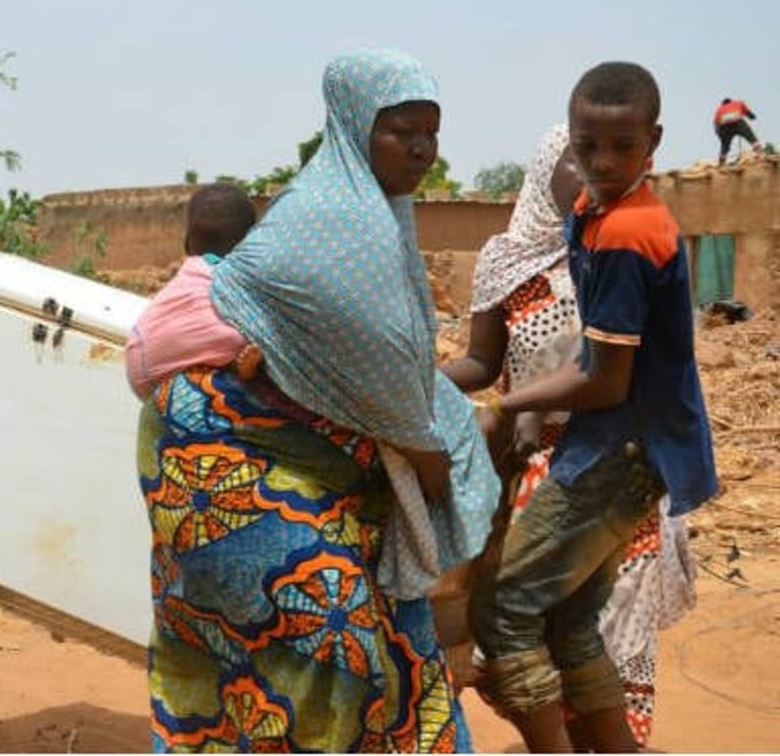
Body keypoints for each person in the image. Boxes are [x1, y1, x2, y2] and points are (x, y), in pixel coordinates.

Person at [137, 49, 499, 752]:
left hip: (316, 466)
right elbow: (384, 385)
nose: (422, 149)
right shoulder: (339, 222)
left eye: (431, 131)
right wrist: (430, 462)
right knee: (326, 640)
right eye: (402, 131)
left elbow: (392, 373)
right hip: (226, 460)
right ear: (355, 125)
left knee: (391, 647)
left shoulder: (377, 212)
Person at [469, 62, 717, 753]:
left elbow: (603, 381)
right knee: (574, 622)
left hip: (614, 449)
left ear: (653, 142)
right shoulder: (593, 217)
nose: (599, 165)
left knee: (505, 611)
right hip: (618, 447)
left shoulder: (623, 235)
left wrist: (509, 403)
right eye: (586, 149)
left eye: (620, 148)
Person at [125, 182, 258, 399]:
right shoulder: (239, 278)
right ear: (253, 242)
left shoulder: (188, 276)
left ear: (187, 244)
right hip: (197, 382)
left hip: (139, 363)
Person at [713, 97, 764, 165]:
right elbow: (747, 112)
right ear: (731, 101)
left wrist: (721, 136)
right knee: (750, 136)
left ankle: (722, 161)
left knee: (725, 145)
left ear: (723, 104)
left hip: (725, 126)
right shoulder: (739, 103)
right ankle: (759, 152)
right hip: (738, 122)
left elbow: (716, 124)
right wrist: (752, 117)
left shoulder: (719, 109)